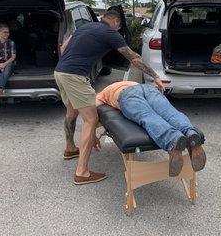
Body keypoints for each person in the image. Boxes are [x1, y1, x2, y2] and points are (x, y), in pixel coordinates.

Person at [54, 10, 164, 186]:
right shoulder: (110, 33)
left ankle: (70, 149)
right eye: (119, 26)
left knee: (71, 112)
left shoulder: (85, 26)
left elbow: (63, 47)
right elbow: (133, 58)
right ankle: (82, 172)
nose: (118, 28)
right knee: (91, 120)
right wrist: (155, 76)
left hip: (60, 72)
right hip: (75, 76)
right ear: (115, 22)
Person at [96, 81, 206, 177]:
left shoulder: (105, 92)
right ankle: (190, 133)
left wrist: (92, 134)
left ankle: (173, 139)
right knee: (170, 113)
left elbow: (92, 110)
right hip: (149, 89)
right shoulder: (132, 82)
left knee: (148, 116)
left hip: (126, 95)